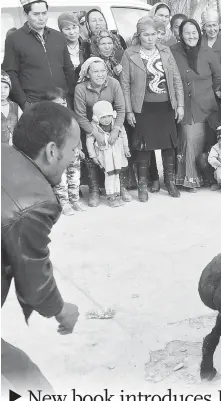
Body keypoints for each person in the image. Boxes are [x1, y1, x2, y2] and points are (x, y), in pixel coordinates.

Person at [2, 102, 81, 394]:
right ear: (51, 151)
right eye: (73, 150)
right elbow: (33, 272)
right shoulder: (34, 202)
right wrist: (61, 310)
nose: (76, 157)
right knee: (21, 379)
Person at [120, 16, 184, 202]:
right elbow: (125, 85)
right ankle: (142, 185)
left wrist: (179, 105)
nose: (150, 38)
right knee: (143, 147)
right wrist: (129, 111)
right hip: (142, 108)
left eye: (153, 34)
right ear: (139, 36)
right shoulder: (129, 54)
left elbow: (176, 79)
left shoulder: (165, 51)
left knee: (169, 145)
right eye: (145, 35)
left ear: (158, 35)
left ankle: (170, 182)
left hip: (165, 106)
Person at [171, 19, 221, 192]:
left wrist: (207, 91)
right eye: (187, 33)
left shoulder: (207, 52)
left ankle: (204, 177)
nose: (191, 36)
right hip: (183, 106)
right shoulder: (173, 52)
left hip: (205, 105)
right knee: (188, 138)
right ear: (180, 35)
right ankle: (187, 178)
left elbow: (219, 77)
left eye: (194, 32)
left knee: (202, 139)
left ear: (199, 33)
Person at [2, 0, 76, 110]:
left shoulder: (58, 37)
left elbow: (68, 69)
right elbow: (10, 72)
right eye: (36, 14)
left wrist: (70, 96)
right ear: (26, 14)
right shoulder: (14, 39)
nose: (41, 18)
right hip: (34, 103)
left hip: (61, 102)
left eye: (44, 13)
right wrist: (23, 102)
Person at [73, 57, 126, 208]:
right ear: (87, 73)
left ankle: (120, 188)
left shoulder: (113, 84)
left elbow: (121, 109)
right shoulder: (81, 88)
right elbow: (80, 115)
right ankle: (94, 189)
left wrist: (115, 130)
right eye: (95, 71)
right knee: (92, 158)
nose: (100, 74)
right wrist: (94, 133)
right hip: (90, 127)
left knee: (116, 155)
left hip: (112, 125)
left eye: (103, 71)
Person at [40, 88, 86, 215]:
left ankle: (75, 200)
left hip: (73, 154)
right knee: (61, 181)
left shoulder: (71, 117)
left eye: (63, 103)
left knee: (75, 178)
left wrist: (79, 148)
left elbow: (76, 134)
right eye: (57, 104)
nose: (61, 106)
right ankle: (64, 203)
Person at [87, 100, 131, 207]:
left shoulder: (116, 123)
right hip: (105, 156)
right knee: (109, 176)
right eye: (102, 117)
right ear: (96, 118)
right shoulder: (94, 127)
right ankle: (111, 196)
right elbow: (89, 141)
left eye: (108, 116)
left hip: (117, 154)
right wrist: (93, 155)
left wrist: (126, 148)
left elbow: (123, 135)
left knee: (117, 175)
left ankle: (117, 195)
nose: (106, 120)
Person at [58, 12, 90, 77]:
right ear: (61, 31)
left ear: (79, 27)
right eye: (67, 29)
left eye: (74, 27)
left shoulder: (87, 46)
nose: (72, 32)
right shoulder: (57, 48)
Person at [1, 71, 20, 145]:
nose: (2, 91)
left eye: (6, 87)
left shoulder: (15, 107)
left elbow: (23, 125)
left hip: (13, 148)